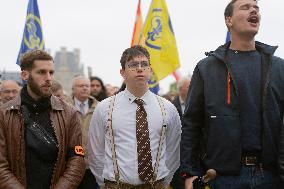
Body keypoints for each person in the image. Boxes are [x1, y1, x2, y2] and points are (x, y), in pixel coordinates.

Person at [180, 0, 284, 189]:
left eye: (256, 8)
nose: (253, 10)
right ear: (229, 20)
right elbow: (192, 123)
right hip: (222, 177)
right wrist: (189, 173)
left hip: (271, 176)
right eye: (245, 7)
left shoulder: (278, 67)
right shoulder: (207, 68)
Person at [88, 45, 181, 189]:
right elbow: (96, 153)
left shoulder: (167, 108)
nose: (139, 68)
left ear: (150, 70)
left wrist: (163, 182)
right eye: (132, 65)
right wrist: (107, 183)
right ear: (122, 72)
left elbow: (173, 152)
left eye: (144, 64)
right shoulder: (105, 108)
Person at [0, 50, 85, 189]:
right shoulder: (4, 114)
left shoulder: (69, 113)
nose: (48, 78)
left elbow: (77, 160)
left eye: (51, 72)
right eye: (41, 72)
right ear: (25, 75)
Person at [71, 75, 98, 189]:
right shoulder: (64, 107)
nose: (85, 88)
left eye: (87, 86)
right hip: (71, 165)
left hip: (92, 165)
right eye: (81, 86)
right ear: (73, 89)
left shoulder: (100, 108)